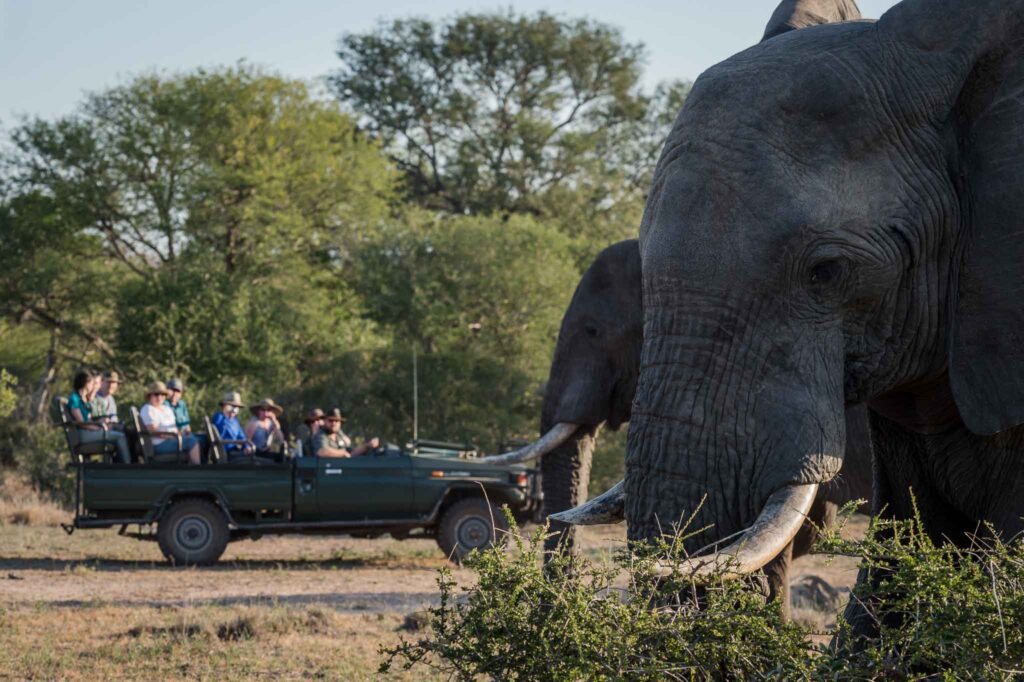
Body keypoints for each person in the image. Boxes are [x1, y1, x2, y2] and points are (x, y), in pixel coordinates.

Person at [67, 370, 131, 463]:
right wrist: (98, 428)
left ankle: (117, 463)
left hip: (88, 431)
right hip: (83, 434)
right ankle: (127, 465)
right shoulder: (74, 399)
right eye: (91, 383)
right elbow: (82, 423)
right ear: (85, 383)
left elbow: (88, 419)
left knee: (120, 433)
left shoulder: (82, 399)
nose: (94, 386)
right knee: (120, 437)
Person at [140, 381, 200, 465]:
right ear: (150, 396)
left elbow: (174, 428)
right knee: (191, 441)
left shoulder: (166, 409)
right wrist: (172, 436)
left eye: (162, 394)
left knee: (198, 439)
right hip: (159, 444)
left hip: (173, 439)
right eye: (156, 394)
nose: (159, 397)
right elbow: (153, 431)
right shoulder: (148, 409)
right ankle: (199, 471)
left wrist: (180, 434)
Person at [313, 408, 380, 458]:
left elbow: (351, 452)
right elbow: (322, 451)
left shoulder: (339, 435)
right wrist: (342, 453)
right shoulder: (320, 434)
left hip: (341, 470)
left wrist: (367, 446)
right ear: (325, 421)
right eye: (331, 420)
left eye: (337, 421)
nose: (334, 423)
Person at [211, 391, 254, 460]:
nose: (235, 409)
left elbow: (241, 437)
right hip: (225, 452)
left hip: (234, 450)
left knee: (257, 458)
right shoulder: (219, 416)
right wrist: (226, 414)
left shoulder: (235, 421)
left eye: (237, 407)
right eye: (233, 406)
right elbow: (220, 433)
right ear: (225, 406)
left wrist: (246, 447)